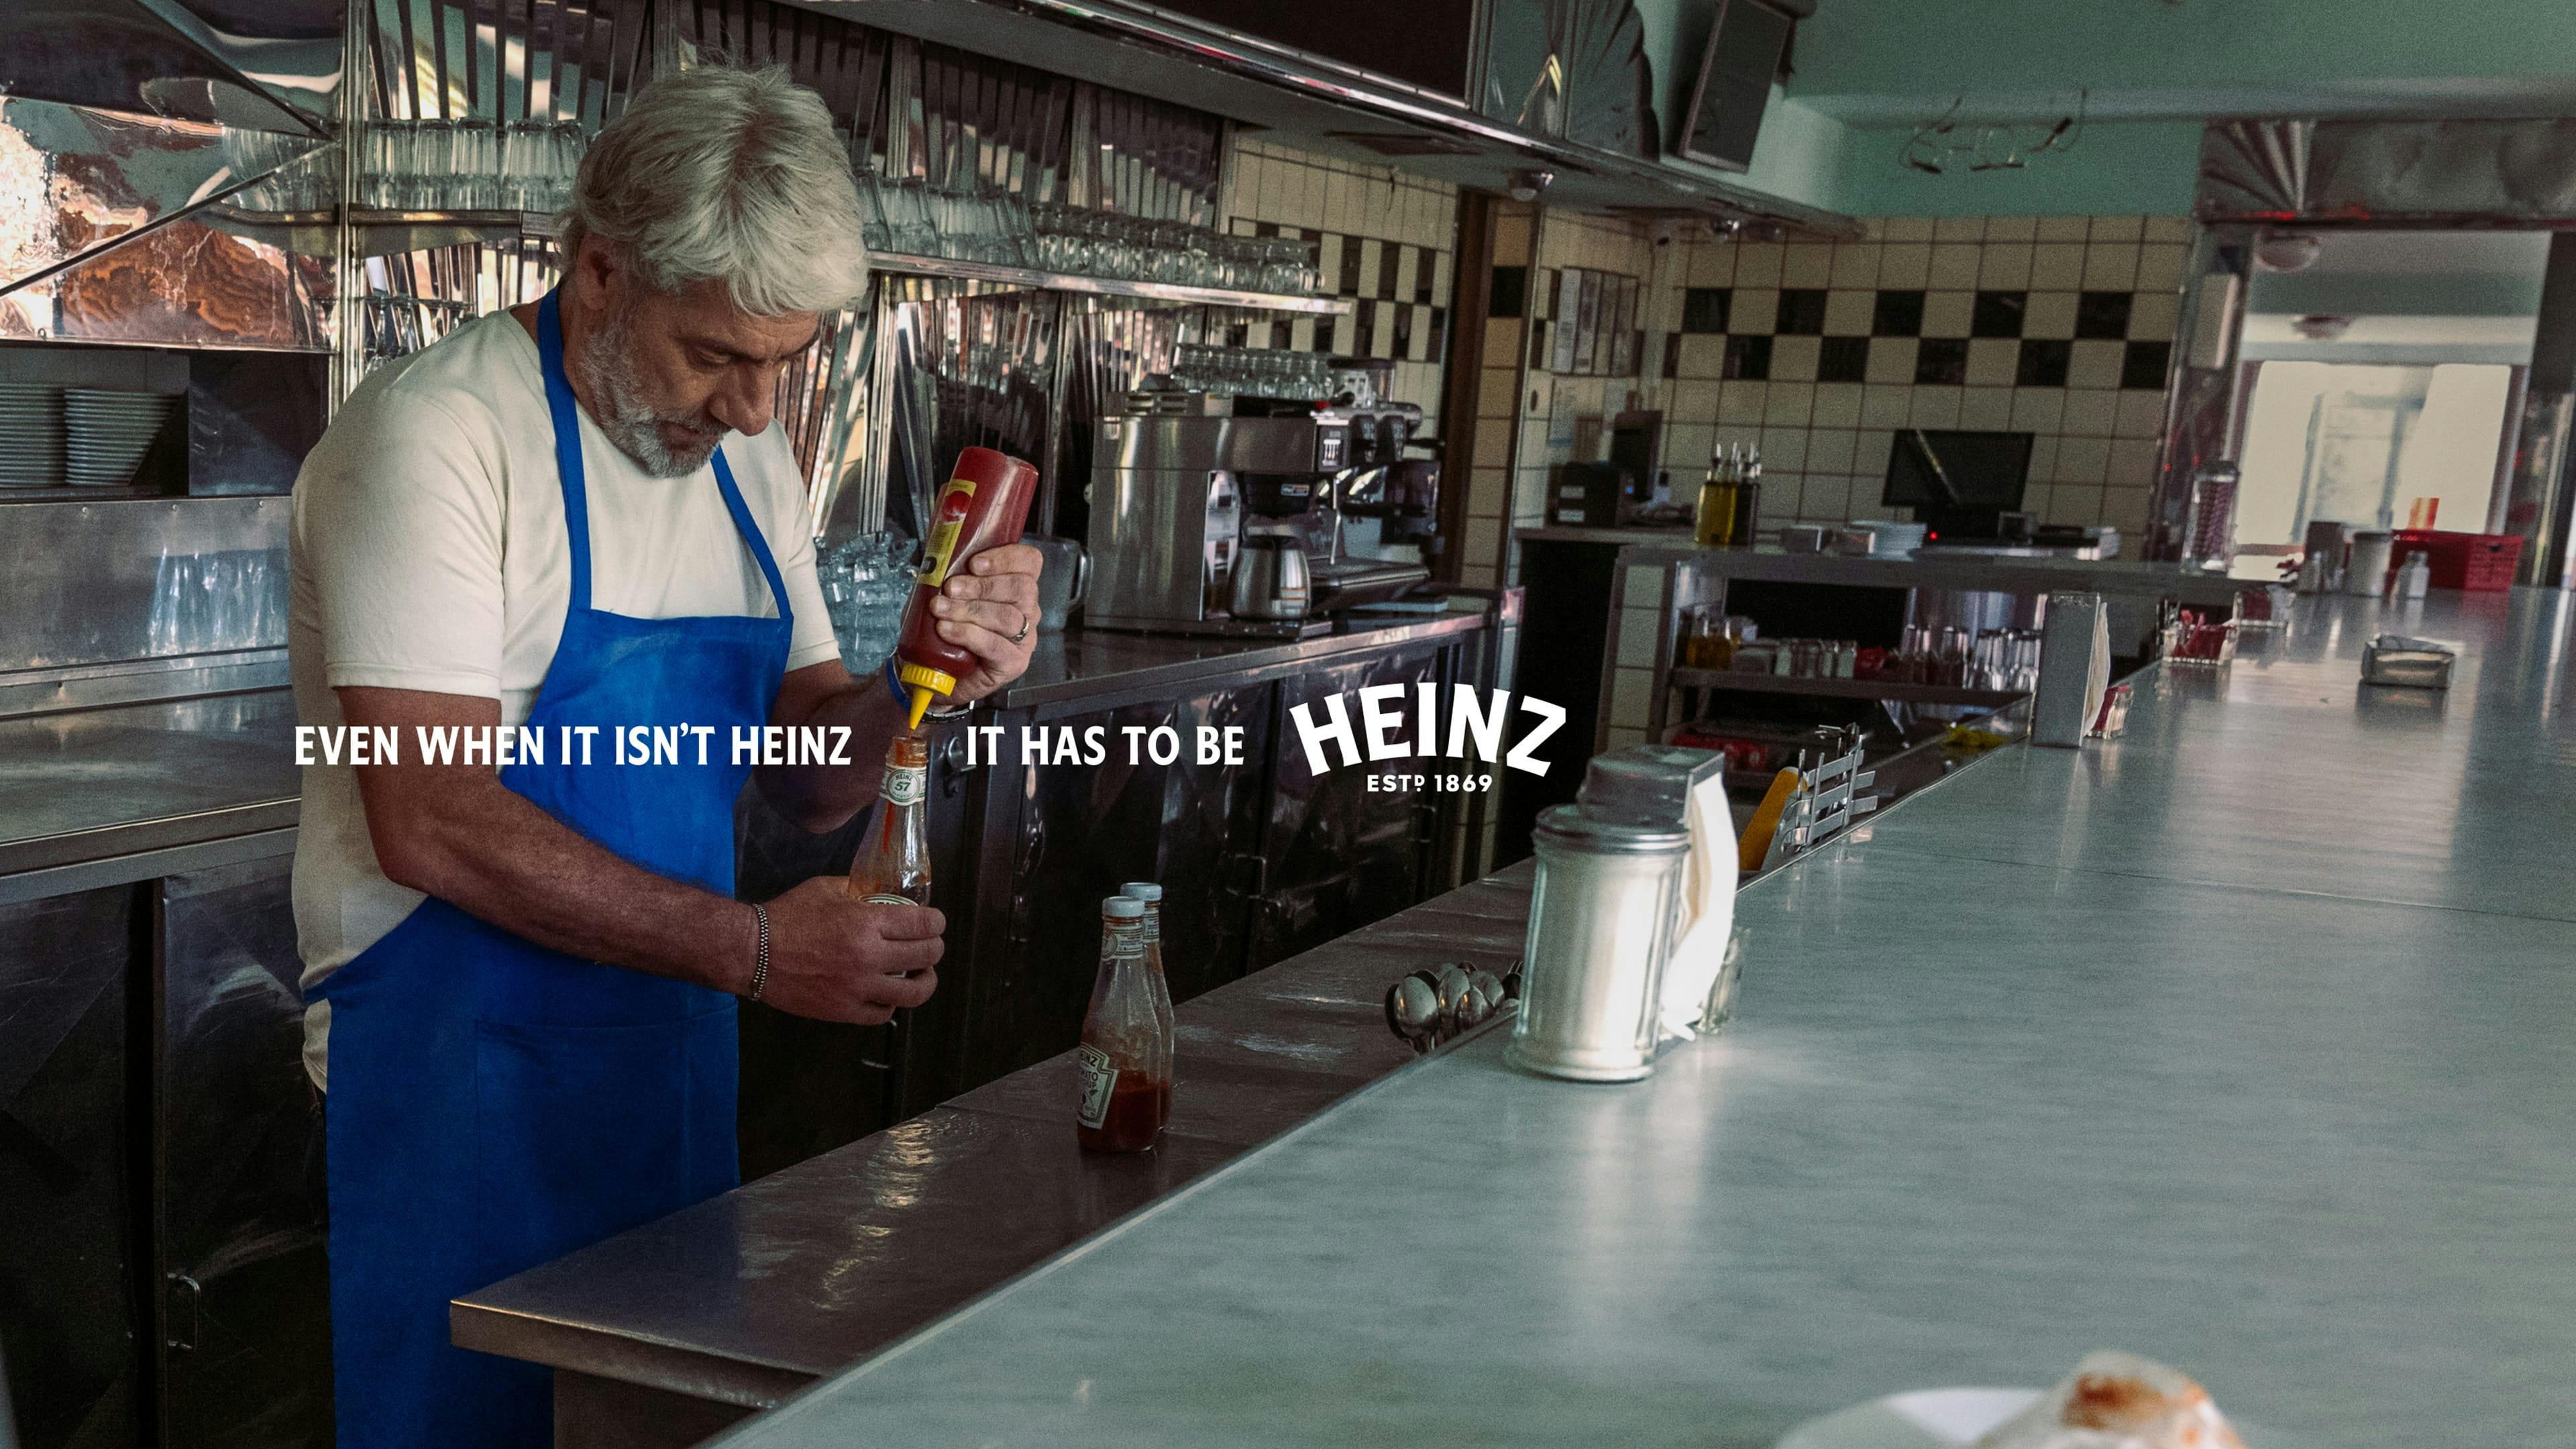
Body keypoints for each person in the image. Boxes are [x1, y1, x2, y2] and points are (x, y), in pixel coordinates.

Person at [286, 65, 1041, 1447]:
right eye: (717, 355)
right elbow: (432, 821)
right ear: (597, 271)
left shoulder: (743, 463)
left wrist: (922, 673)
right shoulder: (438, 439)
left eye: (789, 362)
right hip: (461, 1090)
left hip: (669, 1070)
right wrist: (757, 954)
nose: (758, 411)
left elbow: (814, 779)